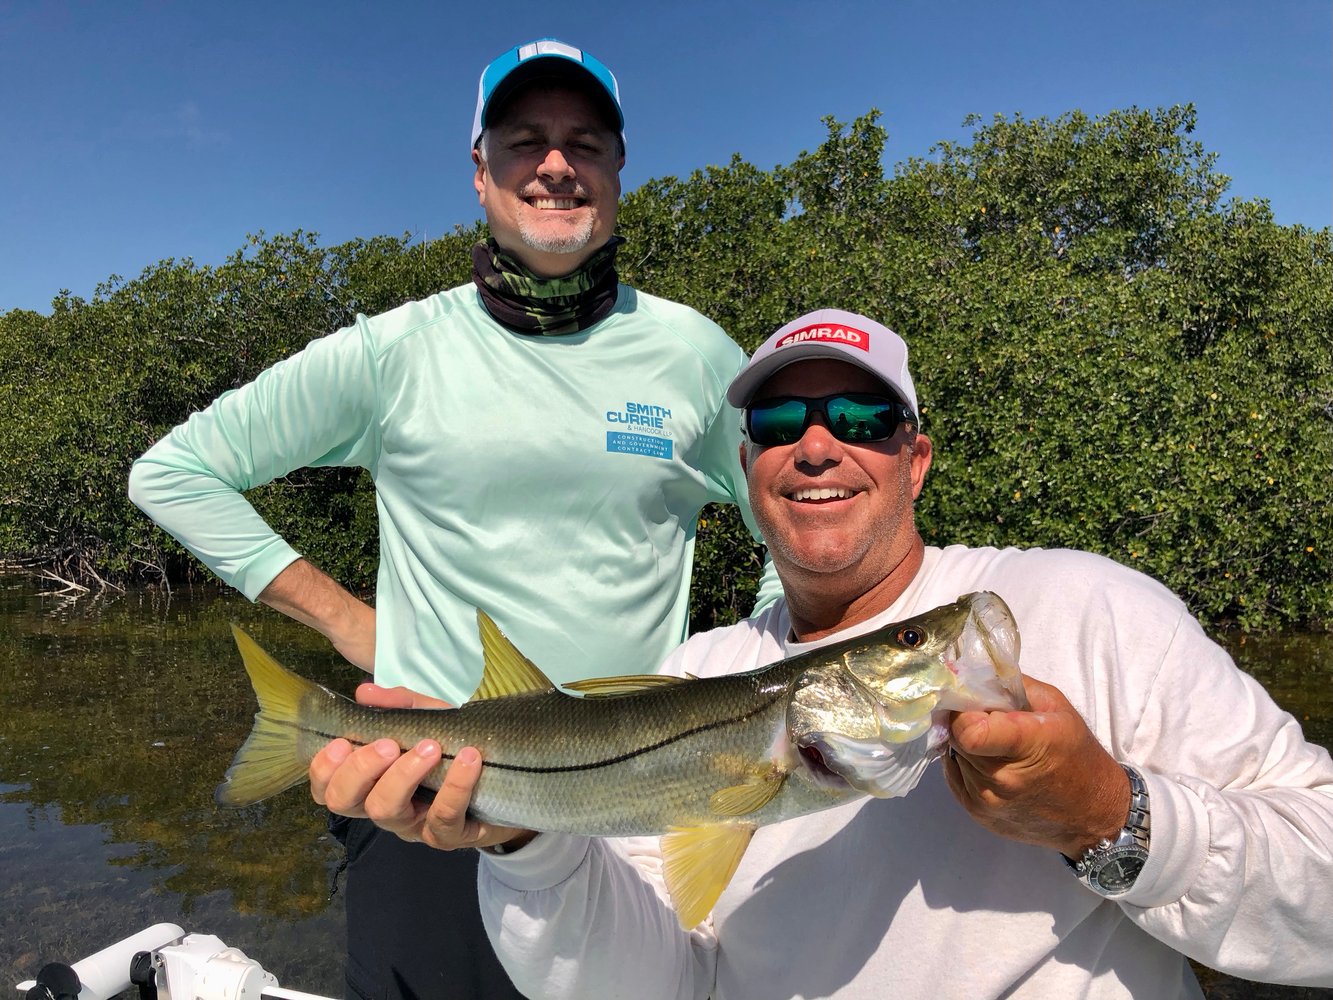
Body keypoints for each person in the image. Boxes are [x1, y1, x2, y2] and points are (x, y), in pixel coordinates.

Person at [314, 308, 1333, 999]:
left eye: (859, 418)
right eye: (776, 421)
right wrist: (522, 841)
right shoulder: (692, 672)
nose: (815, 444)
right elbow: (653, 983)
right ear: (747, 465)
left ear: (915, 458)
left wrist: (1113, 817)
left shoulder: (1088, 603)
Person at [128, 37, 779, 1000]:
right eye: (524, 140)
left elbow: (792, 537)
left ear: (616, 170)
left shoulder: (694, 353)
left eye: (584, 142)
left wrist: (744, 682)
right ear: (480, 171)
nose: (556, 164)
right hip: (423, 786)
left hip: (640, 796)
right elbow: (174, 472)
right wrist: (351, 625)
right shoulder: (393, 350)